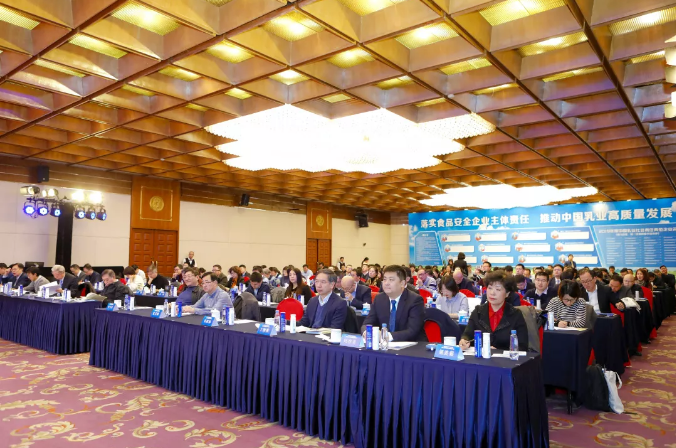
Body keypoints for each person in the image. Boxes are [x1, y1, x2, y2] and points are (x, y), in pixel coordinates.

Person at [459, 270, 528, 351]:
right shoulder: (478, 311)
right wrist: (464, 340)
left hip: (505, 358)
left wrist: (499, 351)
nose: (492, 293)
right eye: (490, 288)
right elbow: (467, 335)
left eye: (498, 289)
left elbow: (522, 346)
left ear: (507, 293)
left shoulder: (516, 314)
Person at [361, 265, 424, 342]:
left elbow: (412, 331)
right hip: (383, 345)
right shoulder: (379, 298)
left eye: (391, 280)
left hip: (409, 345)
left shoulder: (415, 300)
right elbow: (367, 323)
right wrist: (367, 332)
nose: (386, 283)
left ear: (402, 283)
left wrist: (386, 336)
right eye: (384, 279)